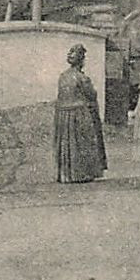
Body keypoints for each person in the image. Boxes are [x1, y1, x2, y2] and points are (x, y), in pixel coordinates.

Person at [54, 43, 107, 183]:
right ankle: (81, 173)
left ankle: (66, 174)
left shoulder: (63, 76)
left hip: (63, 114)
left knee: (67, 143)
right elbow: (92, 95)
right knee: (81, 143)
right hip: (79, 114)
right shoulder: (82, 78)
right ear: (82, 60)